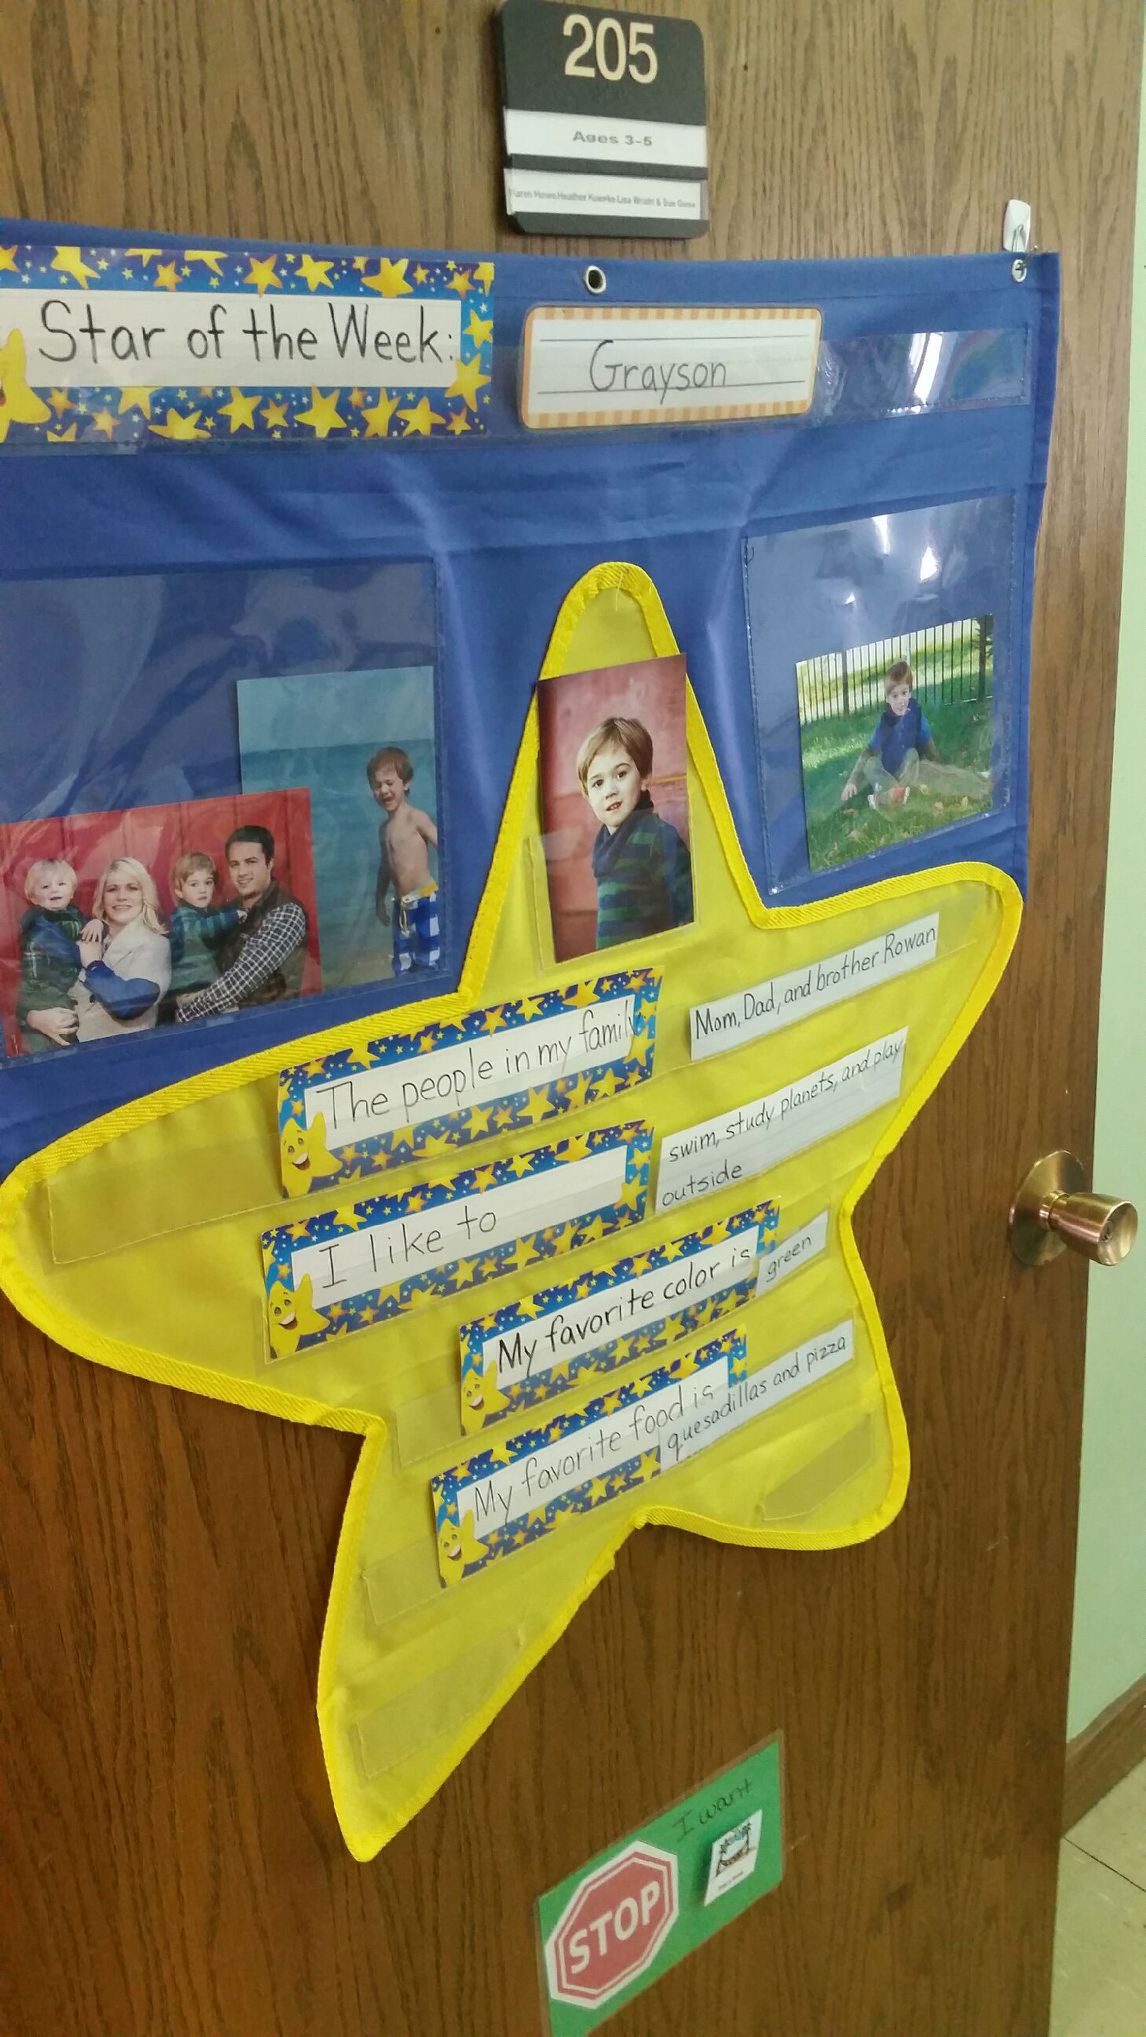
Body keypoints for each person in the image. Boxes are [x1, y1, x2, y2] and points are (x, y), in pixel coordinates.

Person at [577, 715, 693, 950]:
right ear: (587, 796)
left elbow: (691, 908)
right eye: (598, 783)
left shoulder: (657, 838)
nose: (609, 790)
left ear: (644, 777)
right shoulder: (603, 843)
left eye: (621, 774)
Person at [175, 824, 307, 1020]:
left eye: (251, 862)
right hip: (224, 1019)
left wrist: (186, 1017)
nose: (242, 872)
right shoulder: (231, 909)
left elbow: (240, 981)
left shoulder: (286, 911)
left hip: (264, 1022)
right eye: (235, 864)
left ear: (270, 863)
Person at [841, 660, 989, 811]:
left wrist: (940, 767)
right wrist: (853, 781)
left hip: (909, 771)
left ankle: (980, 785)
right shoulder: (885, 725)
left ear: (910, 692)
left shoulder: (916, 718)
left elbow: (929, 747)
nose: (900, 700)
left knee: (915, 755)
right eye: (894, 696)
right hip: (887, 773)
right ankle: (892, 793)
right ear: (887, 699)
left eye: (904, 693)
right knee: (870, 764)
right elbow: (868, 752)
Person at [70, 857, 172, 1043]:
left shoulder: (156, 945)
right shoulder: (88, 937)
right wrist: (36, 1018)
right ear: (102, 897)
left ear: (145, 895)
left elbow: (127, 1005)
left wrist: (94, 965)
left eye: (132, 888)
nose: (121, 897)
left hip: (125, 1052)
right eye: (112, 889)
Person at [368, 746, 440, 975]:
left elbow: (445, 847)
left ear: (406, 783)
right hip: (402, 905)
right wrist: (379, 898)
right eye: (377, 785)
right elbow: (385, 867)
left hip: (425, 899)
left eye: (389, 783)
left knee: (429, 958)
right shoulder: (384, 830)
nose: (384, 790)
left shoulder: (416, 818)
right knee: (403, 960)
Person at [15, 858, 90, 1053]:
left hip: (59, 985)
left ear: (72, 892)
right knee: (60, 1020)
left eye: (61, 884)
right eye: (45, 886)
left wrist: (98, 924)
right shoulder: (38, 922)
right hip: (40, 987)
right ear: (33, 898)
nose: (54, 890)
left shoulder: (76, 916)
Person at [165, 850, 246, 1010]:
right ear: (179, 891)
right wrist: (232, 917)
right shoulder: (182, 915)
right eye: (194, 884)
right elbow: (194, 932)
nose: (202, 890)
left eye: (208, 883)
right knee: (230, 1010)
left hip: (204, 985)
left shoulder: (207, 912)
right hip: (189, 990)